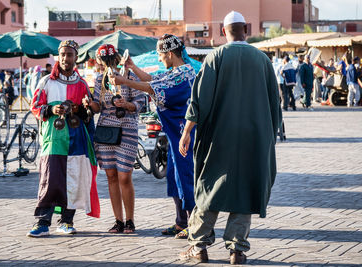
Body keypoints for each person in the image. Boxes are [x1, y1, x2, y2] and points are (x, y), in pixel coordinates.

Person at [177, 11, 281, 264]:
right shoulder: (263, 60)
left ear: (223, 31)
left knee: (209, 186)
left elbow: (199, 101)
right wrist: (269, 138)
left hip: (218, 138)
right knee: (245, 190)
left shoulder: (215, 58)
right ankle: (237, 250)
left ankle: (199, 247)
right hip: (254, 139)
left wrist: (187, 132)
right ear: (246, 27)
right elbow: (274, 105)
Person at [109, 34, 197, 239]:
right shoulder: (176, 71)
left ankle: (194, 224)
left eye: (160, 55)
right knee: (175, 178)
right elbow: (153, 80)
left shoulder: (183, 73)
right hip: (175, 133)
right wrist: (131, 68)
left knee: (185, 177)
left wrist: (124, 81)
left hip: (184, 132)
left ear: (169, 54)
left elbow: (152, 87)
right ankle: (181, 222)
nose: (159, 59)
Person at [27, 40, 100, 237]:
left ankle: (66, 221)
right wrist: (51, 109)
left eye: (70, 54)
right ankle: (42, 222)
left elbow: (88, 115)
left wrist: (83, 108)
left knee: (73, 179)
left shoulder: (82, 84)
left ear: (76, 58)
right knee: (50, 179)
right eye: (63, 54)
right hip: (53, 140)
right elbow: (35, 106)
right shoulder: (46, 82)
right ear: (57, 57)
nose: (66, 58)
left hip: (77, 141)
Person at [84, 44, 145, 234]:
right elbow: (98, 108)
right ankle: (118, 220)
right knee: (111, 176)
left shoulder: (128, 76)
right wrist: (89, 104)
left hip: (127, 129)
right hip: (106, 131)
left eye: (110, 59)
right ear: (100, 61)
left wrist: (127, 104)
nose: (107, 63)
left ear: (117, 58)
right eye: (104, 60)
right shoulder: (100, 79)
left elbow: (141, 103)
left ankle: (130, 220)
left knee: (124, 176)